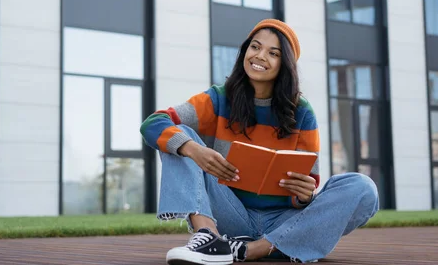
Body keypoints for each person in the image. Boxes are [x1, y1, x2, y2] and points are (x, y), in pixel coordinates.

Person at [140, 19, 379, 264]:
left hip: (282, 221)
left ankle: (253, 249)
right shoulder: (218, 98)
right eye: (255, 47)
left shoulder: (302, 113)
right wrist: (194, 149)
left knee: (362, 187)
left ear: (284, 65)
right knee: (177, 136)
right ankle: (209, 238)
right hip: (230, 214)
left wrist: (306, 195)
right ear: (245, 51)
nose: (260, 56)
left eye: (273, 53)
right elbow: (153, 123)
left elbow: (306, 190)